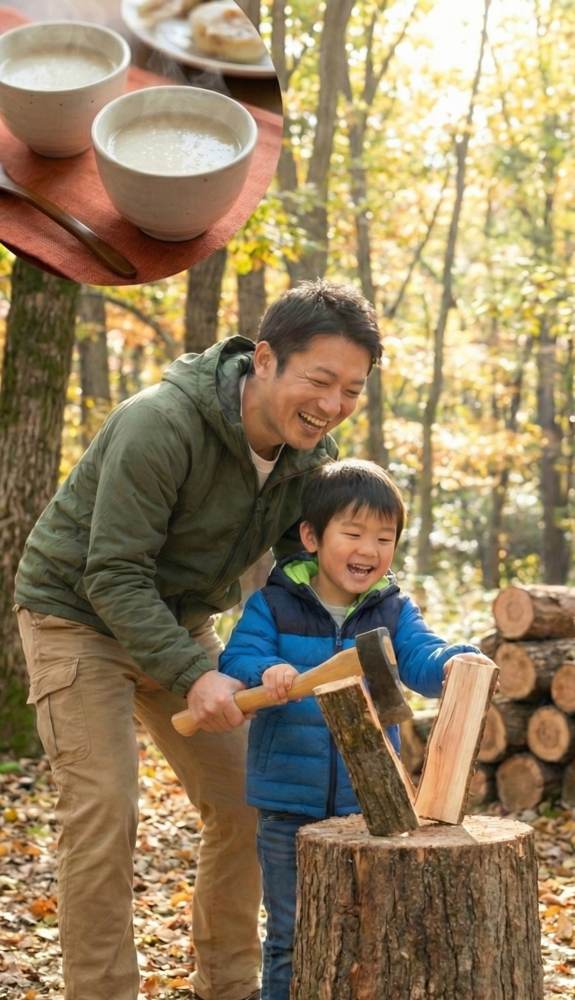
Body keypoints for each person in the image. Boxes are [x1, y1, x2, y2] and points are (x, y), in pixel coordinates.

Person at [14, 280, 381, 1000]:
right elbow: (113, 575)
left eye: (352, 390)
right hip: (77, 617)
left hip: (179, 622)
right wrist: (193, 674)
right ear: (266, 359)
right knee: (105, 812)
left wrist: (344, 638)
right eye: (320, 381)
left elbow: (300, 578)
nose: (333, 405)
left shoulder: (312, 460)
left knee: (249, 798)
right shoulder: (159, 424)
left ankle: (229, 987)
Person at [219, 458, 484, 1000]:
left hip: (367, 807)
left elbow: (420, 657)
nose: (369, 549)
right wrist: (263, 672)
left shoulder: (391, 611)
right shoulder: (272, 605)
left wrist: (454, 661)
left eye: (384, 538)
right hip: (288, 805)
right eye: (354, 532)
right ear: (312, 536)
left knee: (366, 934)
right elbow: (237, 660)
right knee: (291, 934)